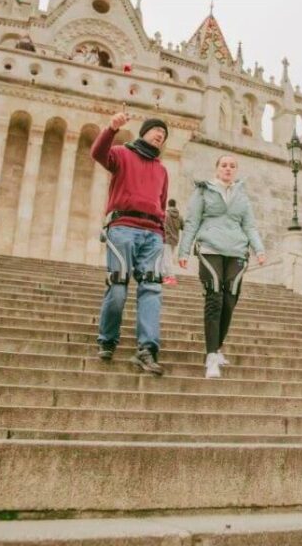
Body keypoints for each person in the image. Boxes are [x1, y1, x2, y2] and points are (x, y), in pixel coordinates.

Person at [92, 113, 170, 375]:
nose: (160, 134)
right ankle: (107, 339)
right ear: (144, 132)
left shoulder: (161, 169)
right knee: (118, 286)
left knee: (151, 289)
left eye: (164, 133)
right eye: (156, 130)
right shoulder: (122, 154)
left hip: (152, 233)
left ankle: (147, 349)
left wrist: (161, 232)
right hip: (123, 227)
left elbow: (162, 202)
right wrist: (111, 129)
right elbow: (98, 154)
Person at [178, 155, 267, 379]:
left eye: (232, 166)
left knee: (230, 299)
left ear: (236, 170)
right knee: (214, 296)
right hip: (210, 248)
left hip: (237, 250)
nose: (228, 169)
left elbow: (250, 226)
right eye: (224, 165)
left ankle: (216, 348)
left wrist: (260, 249)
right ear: (216, 169)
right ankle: (211, 356)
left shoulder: (242, 195)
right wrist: (184, 250)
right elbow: (192, 221)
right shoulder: (203, 191)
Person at [162, 198, 183, 286]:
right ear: (175, 205)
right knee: (168, 257)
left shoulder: (166, 214)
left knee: (167, 259)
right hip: (174, 240)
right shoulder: (179, 216)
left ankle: (171, 277)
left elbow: (163, 226)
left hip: (167, 239)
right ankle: (166, 276)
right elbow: (183, 227)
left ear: (168, 204)